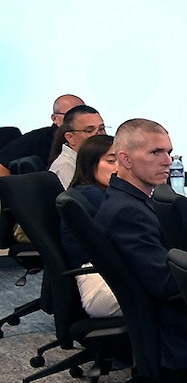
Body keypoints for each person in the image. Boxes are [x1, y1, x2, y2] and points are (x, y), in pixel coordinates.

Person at [94, 119, 187, 368]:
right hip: (182, 330)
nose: (168, 160)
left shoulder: (132, 201)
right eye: (156, 152)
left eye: (168, 151)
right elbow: (166, 283)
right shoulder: (127, 213)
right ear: (126, 159)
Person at [62, 133, 120, 317]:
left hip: (108, 275)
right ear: (90, 163)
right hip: (99, 285)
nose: (119, 168)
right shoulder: (92, 195)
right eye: (111, 161)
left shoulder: (96, 192)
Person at [1, 93, 84, 165]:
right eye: (71, 115)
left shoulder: (91, 136)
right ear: (55, 118)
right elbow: (3, 162)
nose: (79, 120)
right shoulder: (38, 138)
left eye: (83, 114)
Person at [48, 104, 106, 188]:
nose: (99, 135)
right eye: (89, 131)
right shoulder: (65, 168)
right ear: (70, 137)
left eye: (101, 129)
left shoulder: (95, 159)